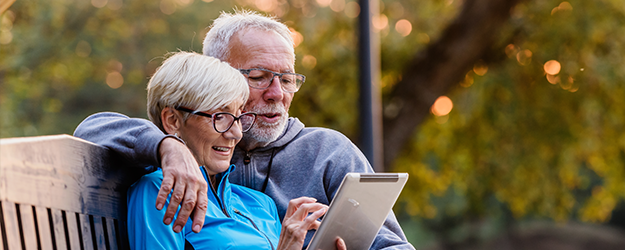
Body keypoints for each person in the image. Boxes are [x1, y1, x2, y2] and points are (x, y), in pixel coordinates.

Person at [74, 10, 414, 249]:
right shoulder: (189, 141)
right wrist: (168, 148)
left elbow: (392, 246)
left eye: (287, 79)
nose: (277, 93)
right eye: (258, 76)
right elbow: (94, 128)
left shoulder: (326, 153)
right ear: (218, 76)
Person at [126, 51, 331, 249]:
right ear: (172, 120)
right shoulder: (159, 190)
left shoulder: (260, 204)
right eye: (220, 117)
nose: (236, 133)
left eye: (238, 118)